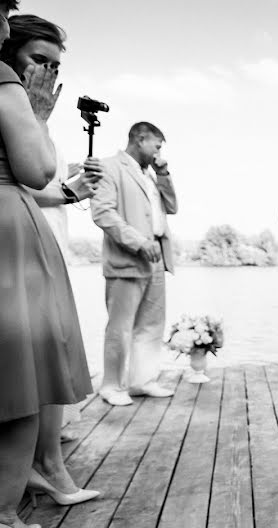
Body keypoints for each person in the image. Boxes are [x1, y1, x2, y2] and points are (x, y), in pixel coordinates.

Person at [0, 0, 99, 528]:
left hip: (22, 219)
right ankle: (11, 504)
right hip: (11, 238)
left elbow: (33, 181)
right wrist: (37, 114)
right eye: (40, 60)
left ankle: (44, 468)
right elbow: (34, 168)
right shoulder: (9, 89)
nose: (49, 76)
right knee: (25, 367)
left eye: (57, 65)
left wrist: (64, 193)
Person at [91, 122, 178, 407]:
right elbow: (103, 213)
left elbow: (172, 207)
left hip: (157, 257)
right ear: (140, 139)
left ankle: (143, 380)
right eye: (157, 145)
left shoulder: (151, 174)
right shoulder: (109, 167)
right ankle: (111, 385)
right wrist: (139, 242)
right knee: (121, 326)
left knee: (151, 325)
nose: (158, 152)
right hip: (128, 257)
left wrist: (163, 173)